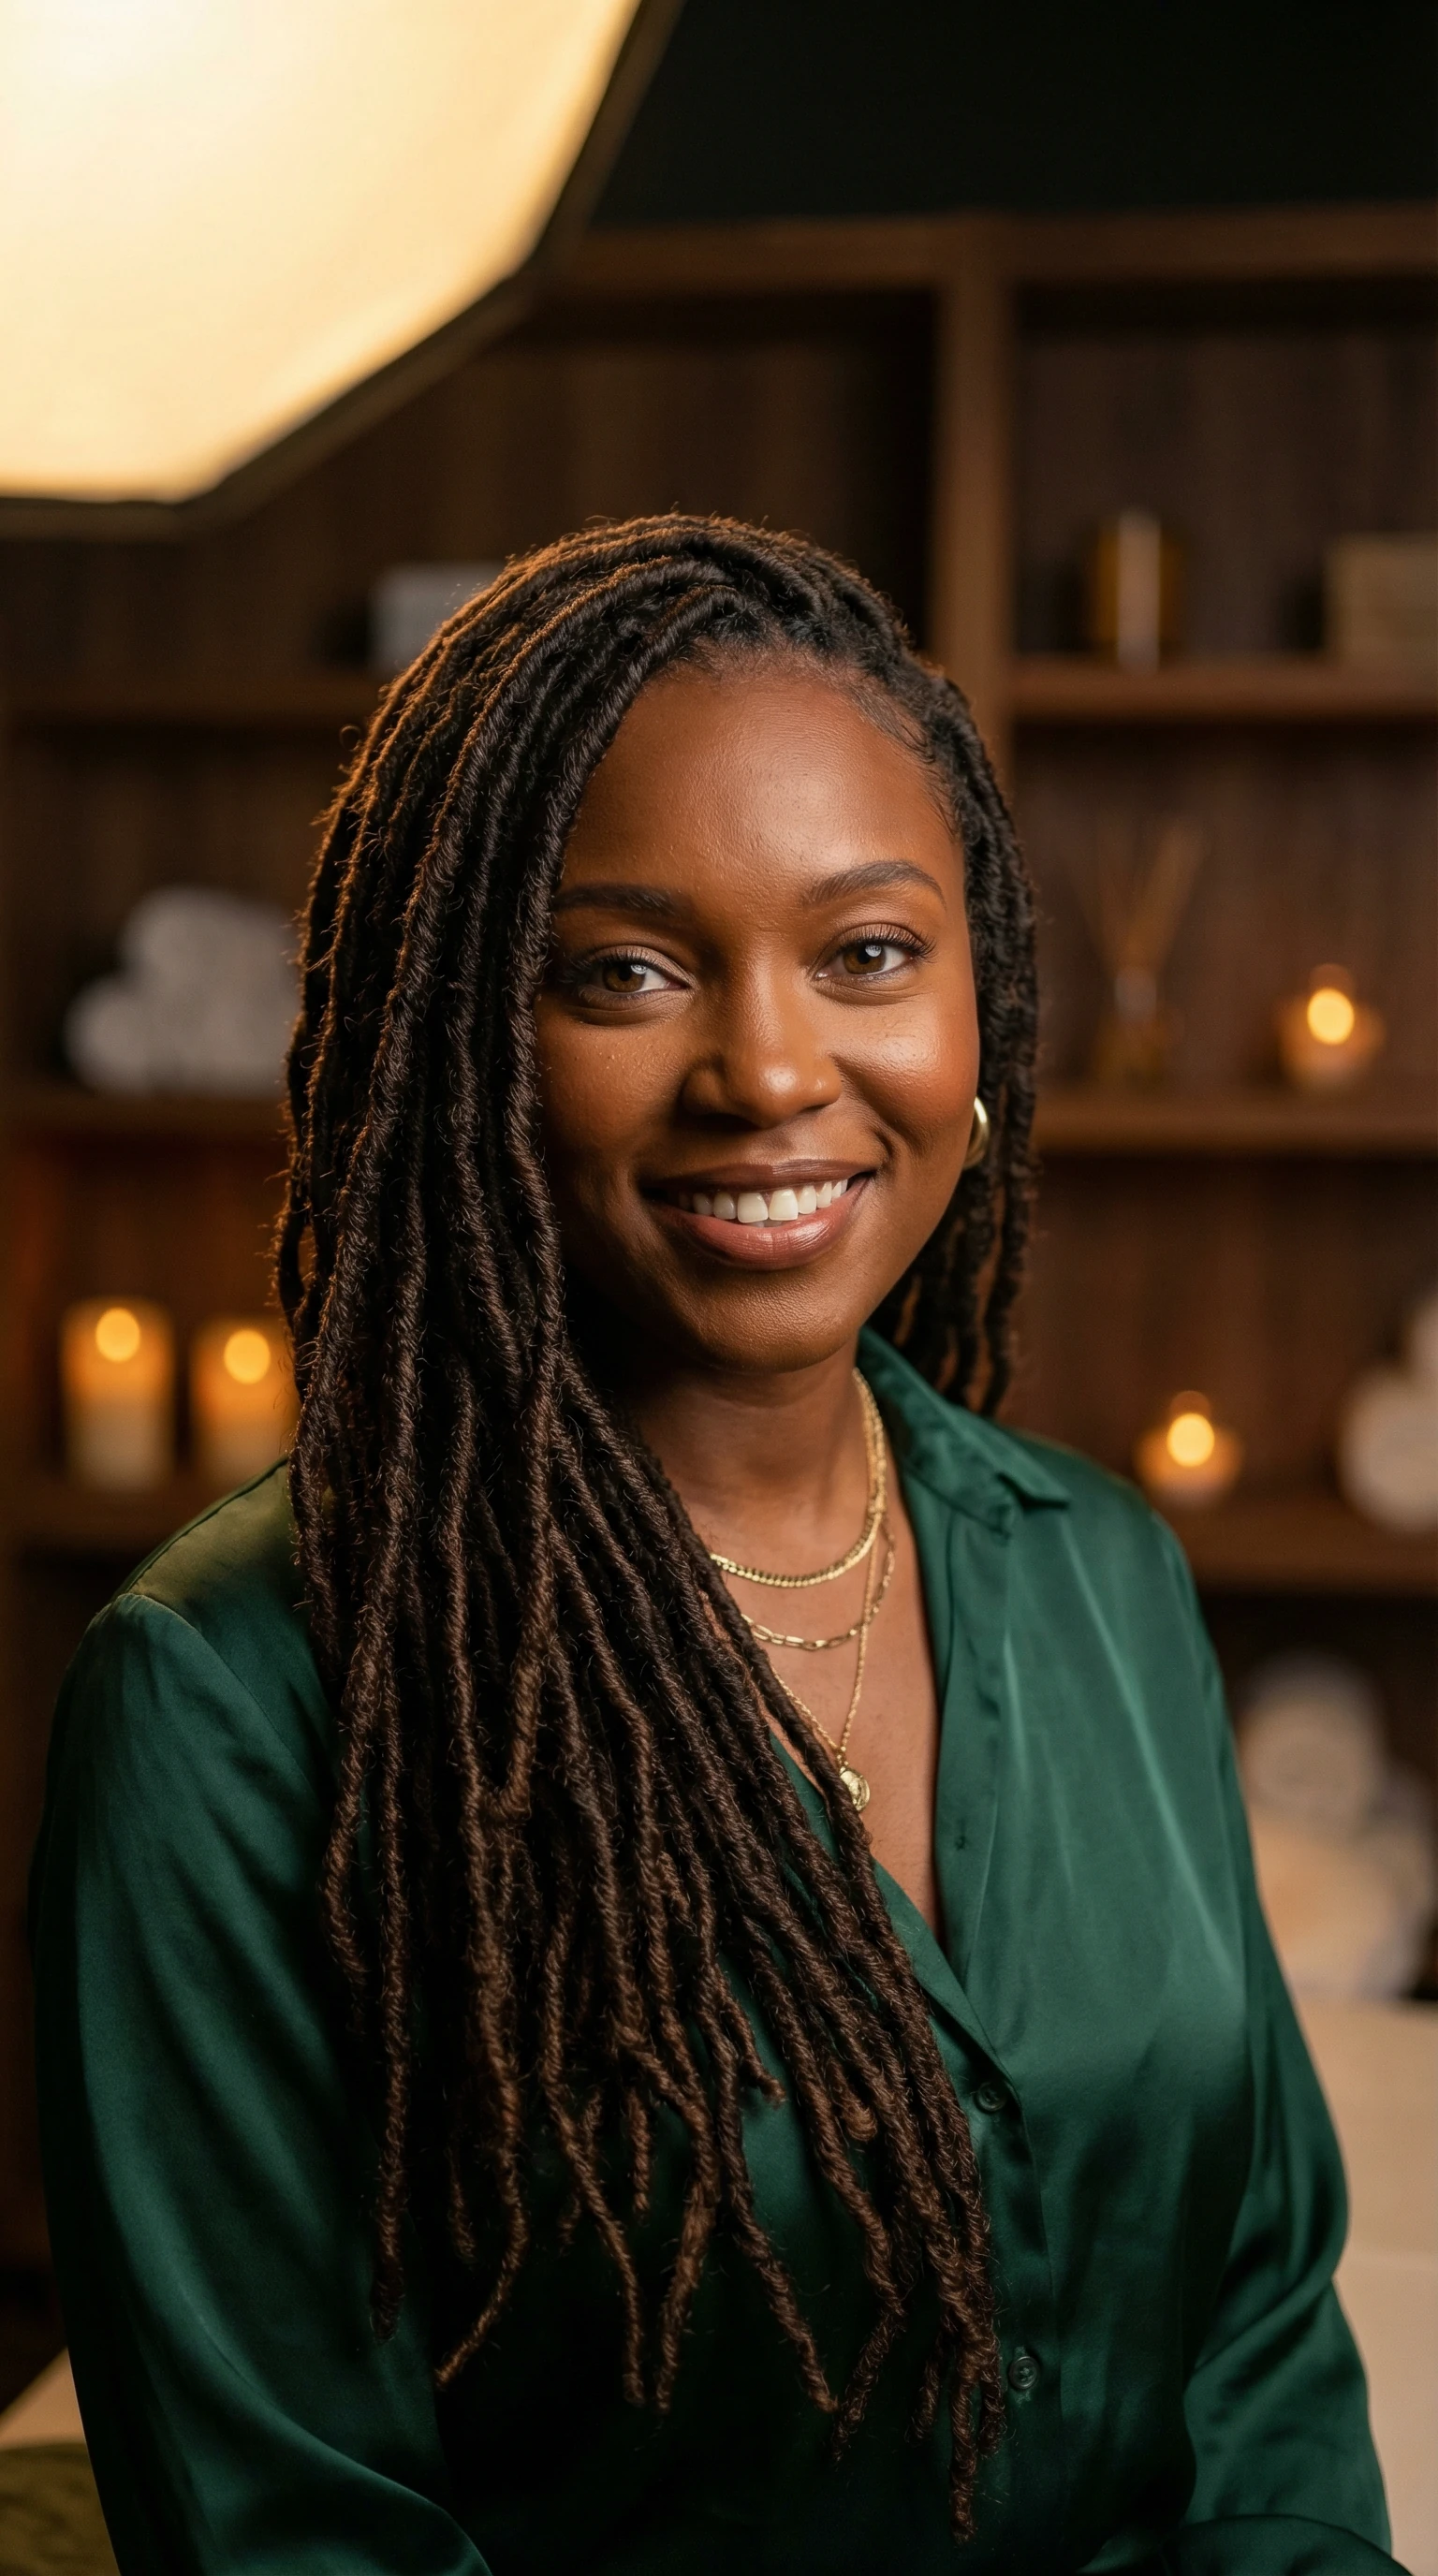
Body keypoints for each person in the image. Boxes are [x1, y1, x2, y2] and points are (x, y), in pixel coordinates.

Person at [31, 517, 1395, 2574]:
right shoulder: (235, 1701)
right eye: (627, 969)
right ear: (465, 1031)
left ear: (978, 1000)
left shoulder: (1099, 1575)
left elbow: (1260, 2342)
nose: (769, 1068)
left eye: (866, 952)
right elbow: (298, 2533)